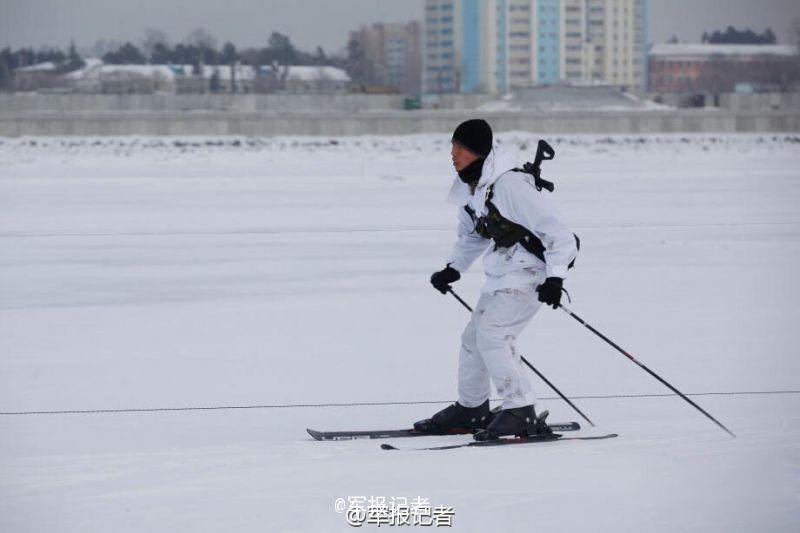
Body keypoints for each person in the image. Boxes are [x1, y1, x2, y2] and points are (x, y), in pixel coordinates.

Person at [414, 119, 578, 441]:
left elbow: (560, 234)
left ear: (477, 151)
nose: (453, 154)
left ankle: (521, 410)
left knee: (493, 334)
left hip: (530, 274)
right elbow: (472, 235)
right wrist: (453, 268)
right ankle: (472, 408)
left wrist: (555, 279)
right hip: (502, 274)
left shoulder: (509, 185)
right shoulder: (472, 186)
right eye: (452, 146)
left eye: (459, 148)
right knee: (473, 338)